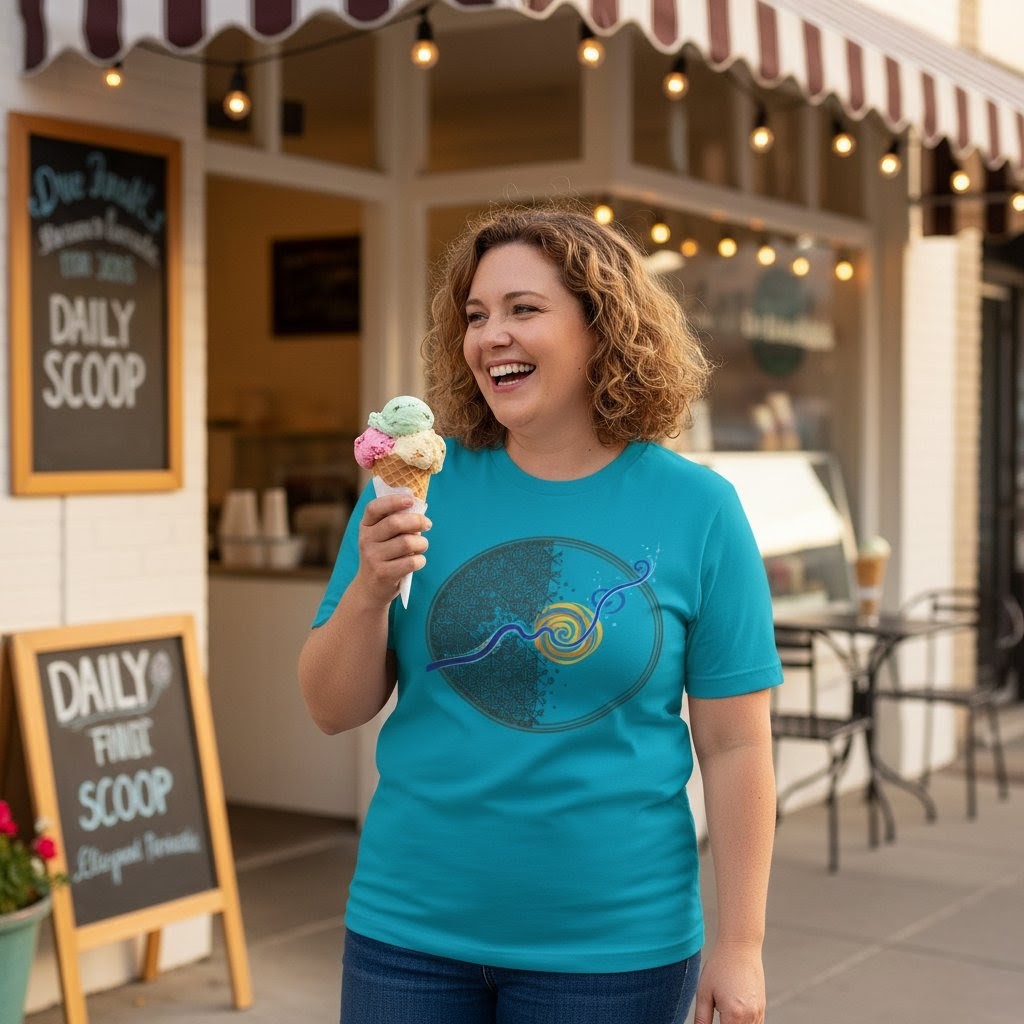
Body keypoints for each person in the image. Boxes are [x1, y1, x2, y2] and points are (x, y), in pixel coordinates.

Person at [298, 203, 782, 1024]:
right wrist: (371, 589)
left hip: (614, 951)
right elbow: (329, 707)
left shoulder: (698, 508)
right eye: (476, 316)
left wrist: (741, 945)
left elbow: (735, 744)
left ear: (602, 328)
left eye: (524, 309)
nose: (492, 336)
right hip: (408, 931)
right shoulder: (415, 492)